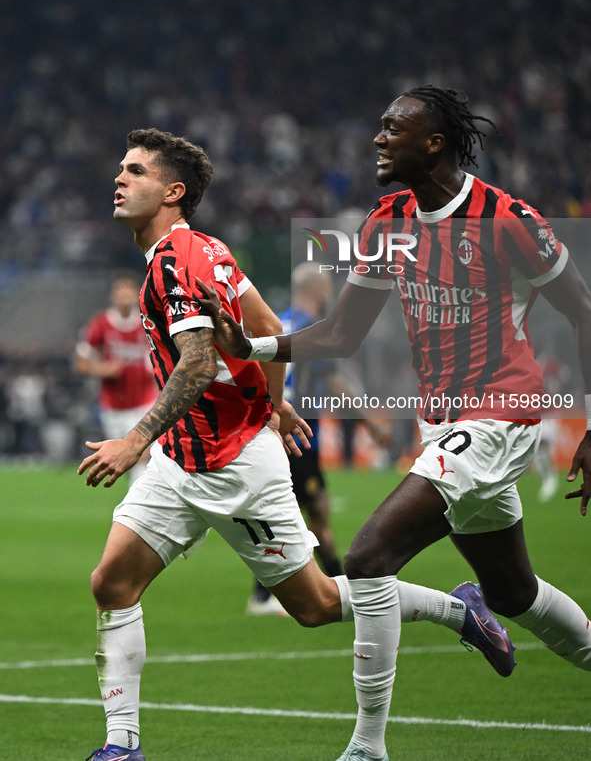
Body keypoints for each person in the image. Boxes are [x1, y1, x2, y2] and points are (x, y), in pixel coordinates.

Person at [79, 126, 514, 761]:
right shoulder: (206, 250)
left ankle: (460, 609)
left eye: (136, 171)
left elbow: (198, 364)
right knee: (112, 583)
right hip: (183, 461)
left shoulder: (179, 262)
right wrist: (275, 402)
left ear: (173, 192)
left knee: (313, 604)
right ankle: (123, 747)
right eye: (121, 168)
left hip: (233, 466)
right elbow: (268, 326)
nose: (119, 179)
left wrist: (134, 438)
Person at [196, 85, 591, 761]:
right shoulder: (386, 225)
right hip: (443, 424)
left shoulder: (506, 220)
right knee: (511, 591)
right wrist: (253, 349)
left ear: (432, 142)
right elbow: (344, 331)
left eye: (391, 129)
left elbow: (582, 312)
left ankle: (366, 746)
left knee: (369, 554)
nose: (377, 139)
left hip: (500, 409)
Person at [247, 262, 389, 616]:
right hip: (298, 431)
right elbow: (334, 382)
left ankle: (335, 588)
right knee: (311, 513)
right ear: (320, 290)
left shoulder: (273, 321)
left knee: (303, 510)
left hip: (270, 428)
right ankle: (275, 595)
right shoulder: (314, 328)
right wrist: (369, 423)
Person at [75, 273, 158, 483]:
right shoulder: (100, 324)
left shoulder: (146, 322)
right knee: (122, 458)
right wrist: (104, 369)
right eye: (120, 292)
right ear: (113, 296)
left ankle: (138, 504)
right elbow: (81, 363)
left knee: (142, 454)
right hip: (113, 405)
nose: (125, 296)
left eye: (129, 291)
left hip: (144, 401)